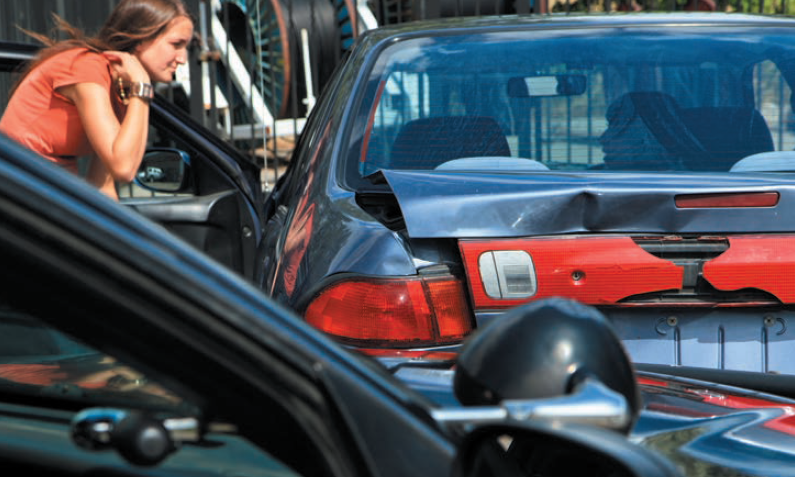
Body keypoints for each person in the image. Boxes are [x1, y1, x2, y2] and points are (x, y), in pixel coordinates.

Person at [0, 0, 194, 200]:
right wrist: (142, 88)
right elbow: (123, 168)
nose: (183, 58)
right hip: (17, 183)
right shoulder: (87, 68)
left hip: (48, 184)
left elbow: (103, 187)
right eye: (176, 44)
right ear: (141, 40)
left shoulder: (121, 86)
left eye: (186, 47)